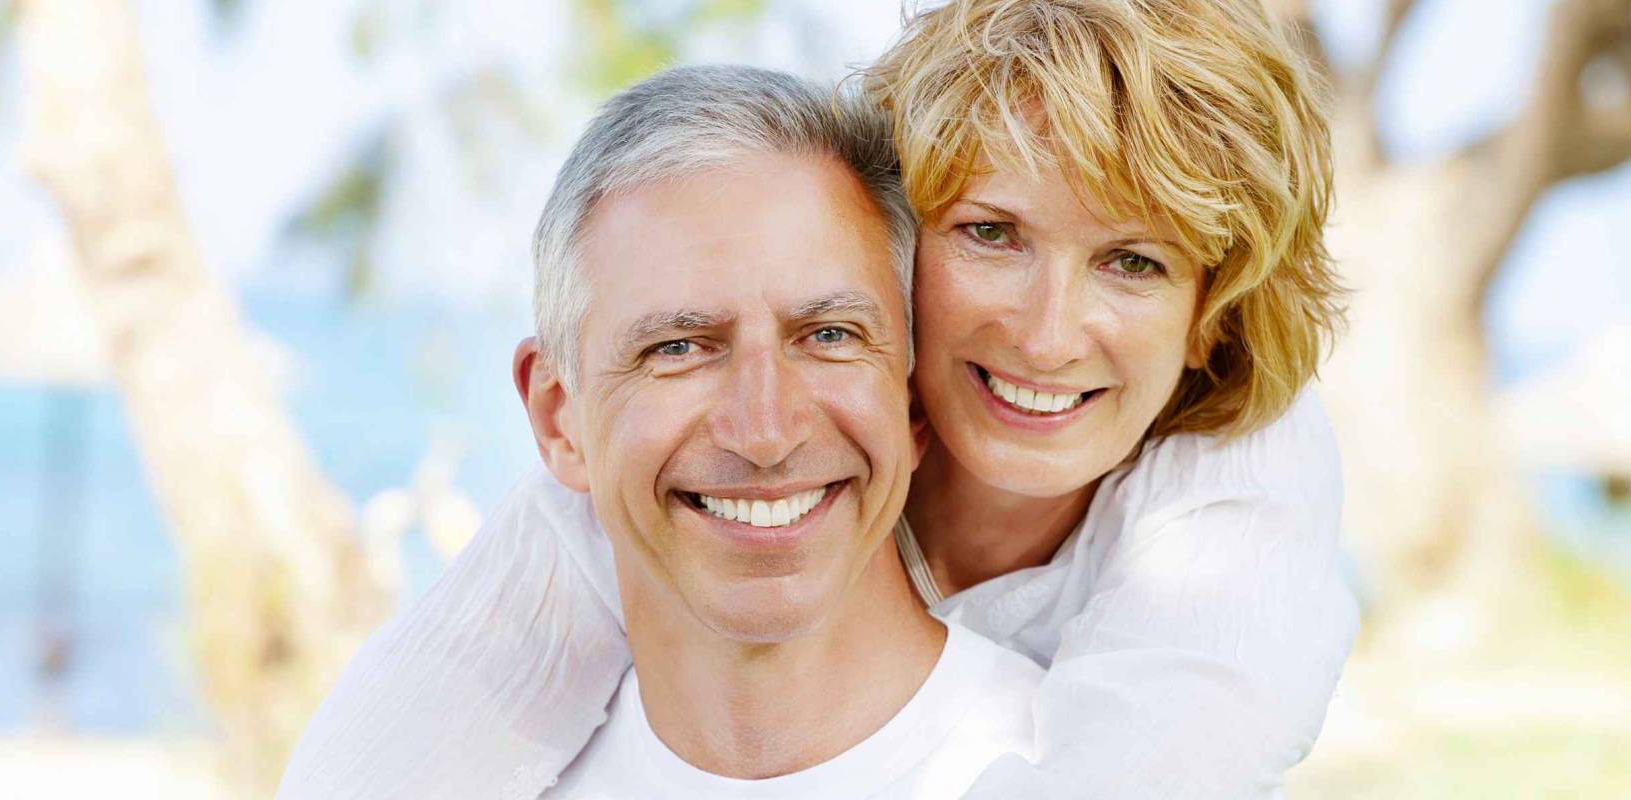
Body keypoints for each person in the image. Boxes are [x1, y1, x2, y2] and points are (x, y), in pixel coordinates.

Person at [281, 0, 1355, 797]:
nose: (1045, 331)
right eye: (991, 232)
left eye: (1134, 262)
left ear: (1213, 309)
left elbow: (1166, 750)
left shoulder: (1235, 494)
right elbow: (392, 751)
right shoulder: (657, 465)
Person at [521, 66, 1047, 798]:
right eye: (677, 348)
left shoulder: (1091, 766)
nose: (765, 433)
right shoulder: (488, 777)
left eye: (830, 335)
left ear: (913, 397)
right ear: (558, 417)